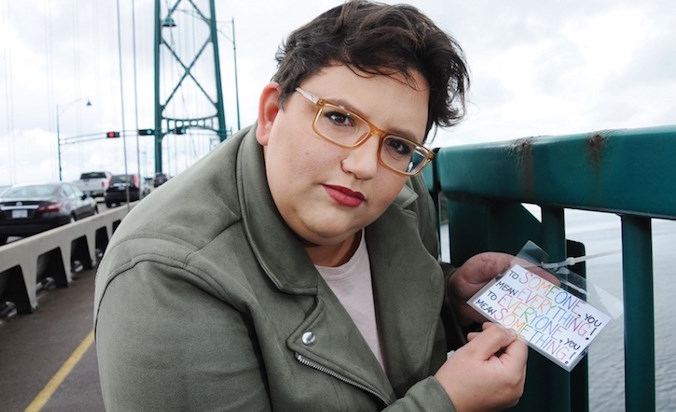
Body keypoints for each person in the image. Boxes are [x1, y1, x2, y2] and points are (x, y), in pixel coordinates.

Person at [94, 1, 528, 410]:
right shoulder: (164, 276)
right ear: (270, 114)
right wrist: (445, 404)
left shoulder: (406, 198)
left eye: (397, 145)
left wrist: (450, 301)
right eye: (339, 118)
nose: (363, 166)